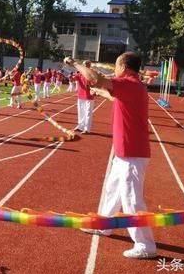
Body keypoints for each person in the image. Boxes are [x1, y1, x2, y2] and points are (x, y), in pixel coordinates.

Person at [65, 52, 157, 259]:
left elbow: (96, 78)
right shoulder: (130, 86)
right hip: (125, 150)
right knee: (113, 189)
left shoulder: (130, 84)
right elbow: (110, 92)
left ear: (123, 67)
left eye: (116, 66)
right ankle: (103, 225)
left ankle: (145, 244)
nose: (114, 70)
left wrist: (75, 64)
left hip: (132, 151)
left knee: (132, 199)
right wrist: (101, 91)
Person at [70, 61, 95, 134]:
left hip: (89, 96)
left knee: (88, 113)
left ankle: (87, 129)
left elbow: (95, 83)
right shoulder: (79, 74)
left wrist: (92, 86)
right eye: (84, 65)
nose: (85, 66)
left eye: (87, 65)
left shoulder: (92, 74)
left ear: (89, 66)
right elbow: (73, 80)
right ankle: (80, 126)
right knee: (81, 112)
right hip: (80, 96)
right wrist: (70, 78)